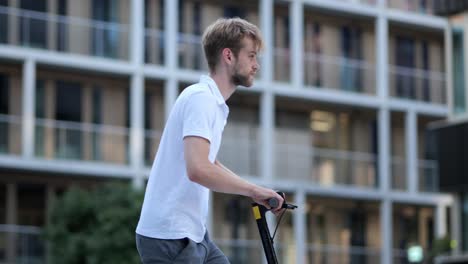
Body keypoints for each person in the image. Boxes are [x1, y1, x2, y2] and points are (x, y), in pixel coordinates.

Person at [135, 17, 284, 264]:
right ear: (228, 56)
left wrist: (254, 191)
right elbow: (198, 170)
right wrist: (252, 190)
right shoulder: (201, 99)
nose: (256, 65)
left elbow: (208, 162)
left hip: (193, 233)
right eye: (251, 55)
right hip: (170, 237)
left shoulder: (213, 104)